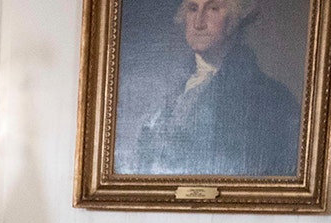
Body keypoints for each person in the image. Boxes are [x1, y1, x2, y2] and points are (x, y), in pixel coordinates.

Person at [124, 0, 301, 177]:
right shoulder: (169, 88)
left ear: (234, 19)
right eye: (193, 9)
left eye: (213, 8)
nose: (198, 23)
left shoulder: (271, 98)